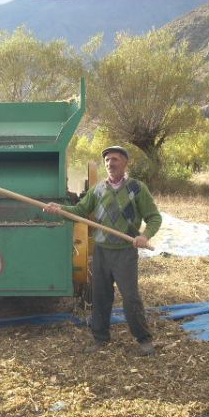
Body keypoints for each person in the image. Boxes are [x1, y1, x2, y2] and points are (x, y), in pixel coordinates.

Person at [44, 145, 162, 356]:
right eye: (107, 160)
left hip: (125, 253)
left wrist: (145, 236)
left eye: (115, 159)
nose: (110, 164)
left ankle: (144, 339)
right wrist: (60, 210)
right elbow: (80, 210)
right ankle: (100, 338)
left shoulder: (137, 188)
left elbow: (154, 217)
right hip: (101, 253)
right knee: (100, 296)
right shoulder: (98, 189)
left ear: (125, 163)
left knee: (131, 298)